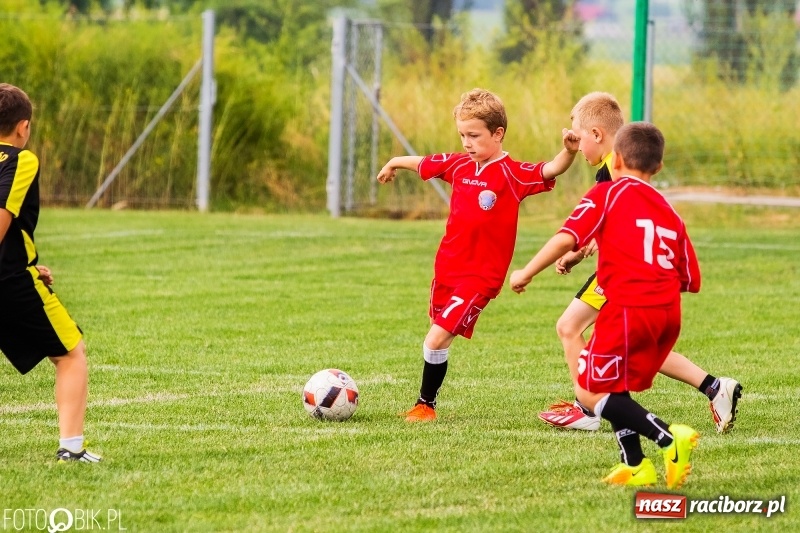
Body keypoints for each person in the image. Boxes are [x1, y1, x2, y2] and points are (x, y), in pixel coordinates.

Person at [537, 92, 742, 434]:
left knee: (569, 327)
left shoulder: (612, 171)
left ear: (598, 135)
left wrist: (572, 253)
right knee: (634, 347)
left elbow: (605, 219)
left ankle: (587, 407)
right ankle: (714, 387)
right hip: (637, 272)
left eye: (579, 136)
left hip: (623, 274)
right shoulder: (618, 168)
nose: (576, 143)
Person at [511, 122, 700, 488]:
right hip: (667, 313)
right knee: (613, 383)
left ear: (617, 159)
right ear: (659, 167)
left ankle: (667, 437)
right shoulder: (668, 211)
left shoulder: (607, 193)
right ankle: (635, 464)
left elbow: (567, 238)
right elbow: (689, 277)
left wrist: (526, 271)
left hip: (630, 308)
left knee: (588, 389)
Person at [376, 88, 579, 422]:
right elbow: (423, 163)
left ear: (497, 134)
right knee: (436, 340)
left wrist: (568, 151)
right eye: (462, 135)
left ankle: (425, 406)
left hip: (480, 277)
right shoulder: (459, 164)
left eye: (474, 136)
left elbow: (551, 169)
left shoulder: (512, 173)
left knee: (435, 338)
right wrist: (392, 163)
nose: (467, 143)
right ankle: (426, 405)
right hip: (447, 269)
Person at [0, 83, 100, 463]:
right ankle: (71, 448)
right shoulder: (21, 159)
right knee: (70, 353)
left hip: (13, 270)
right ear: (23, 126)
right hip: (8, 281)